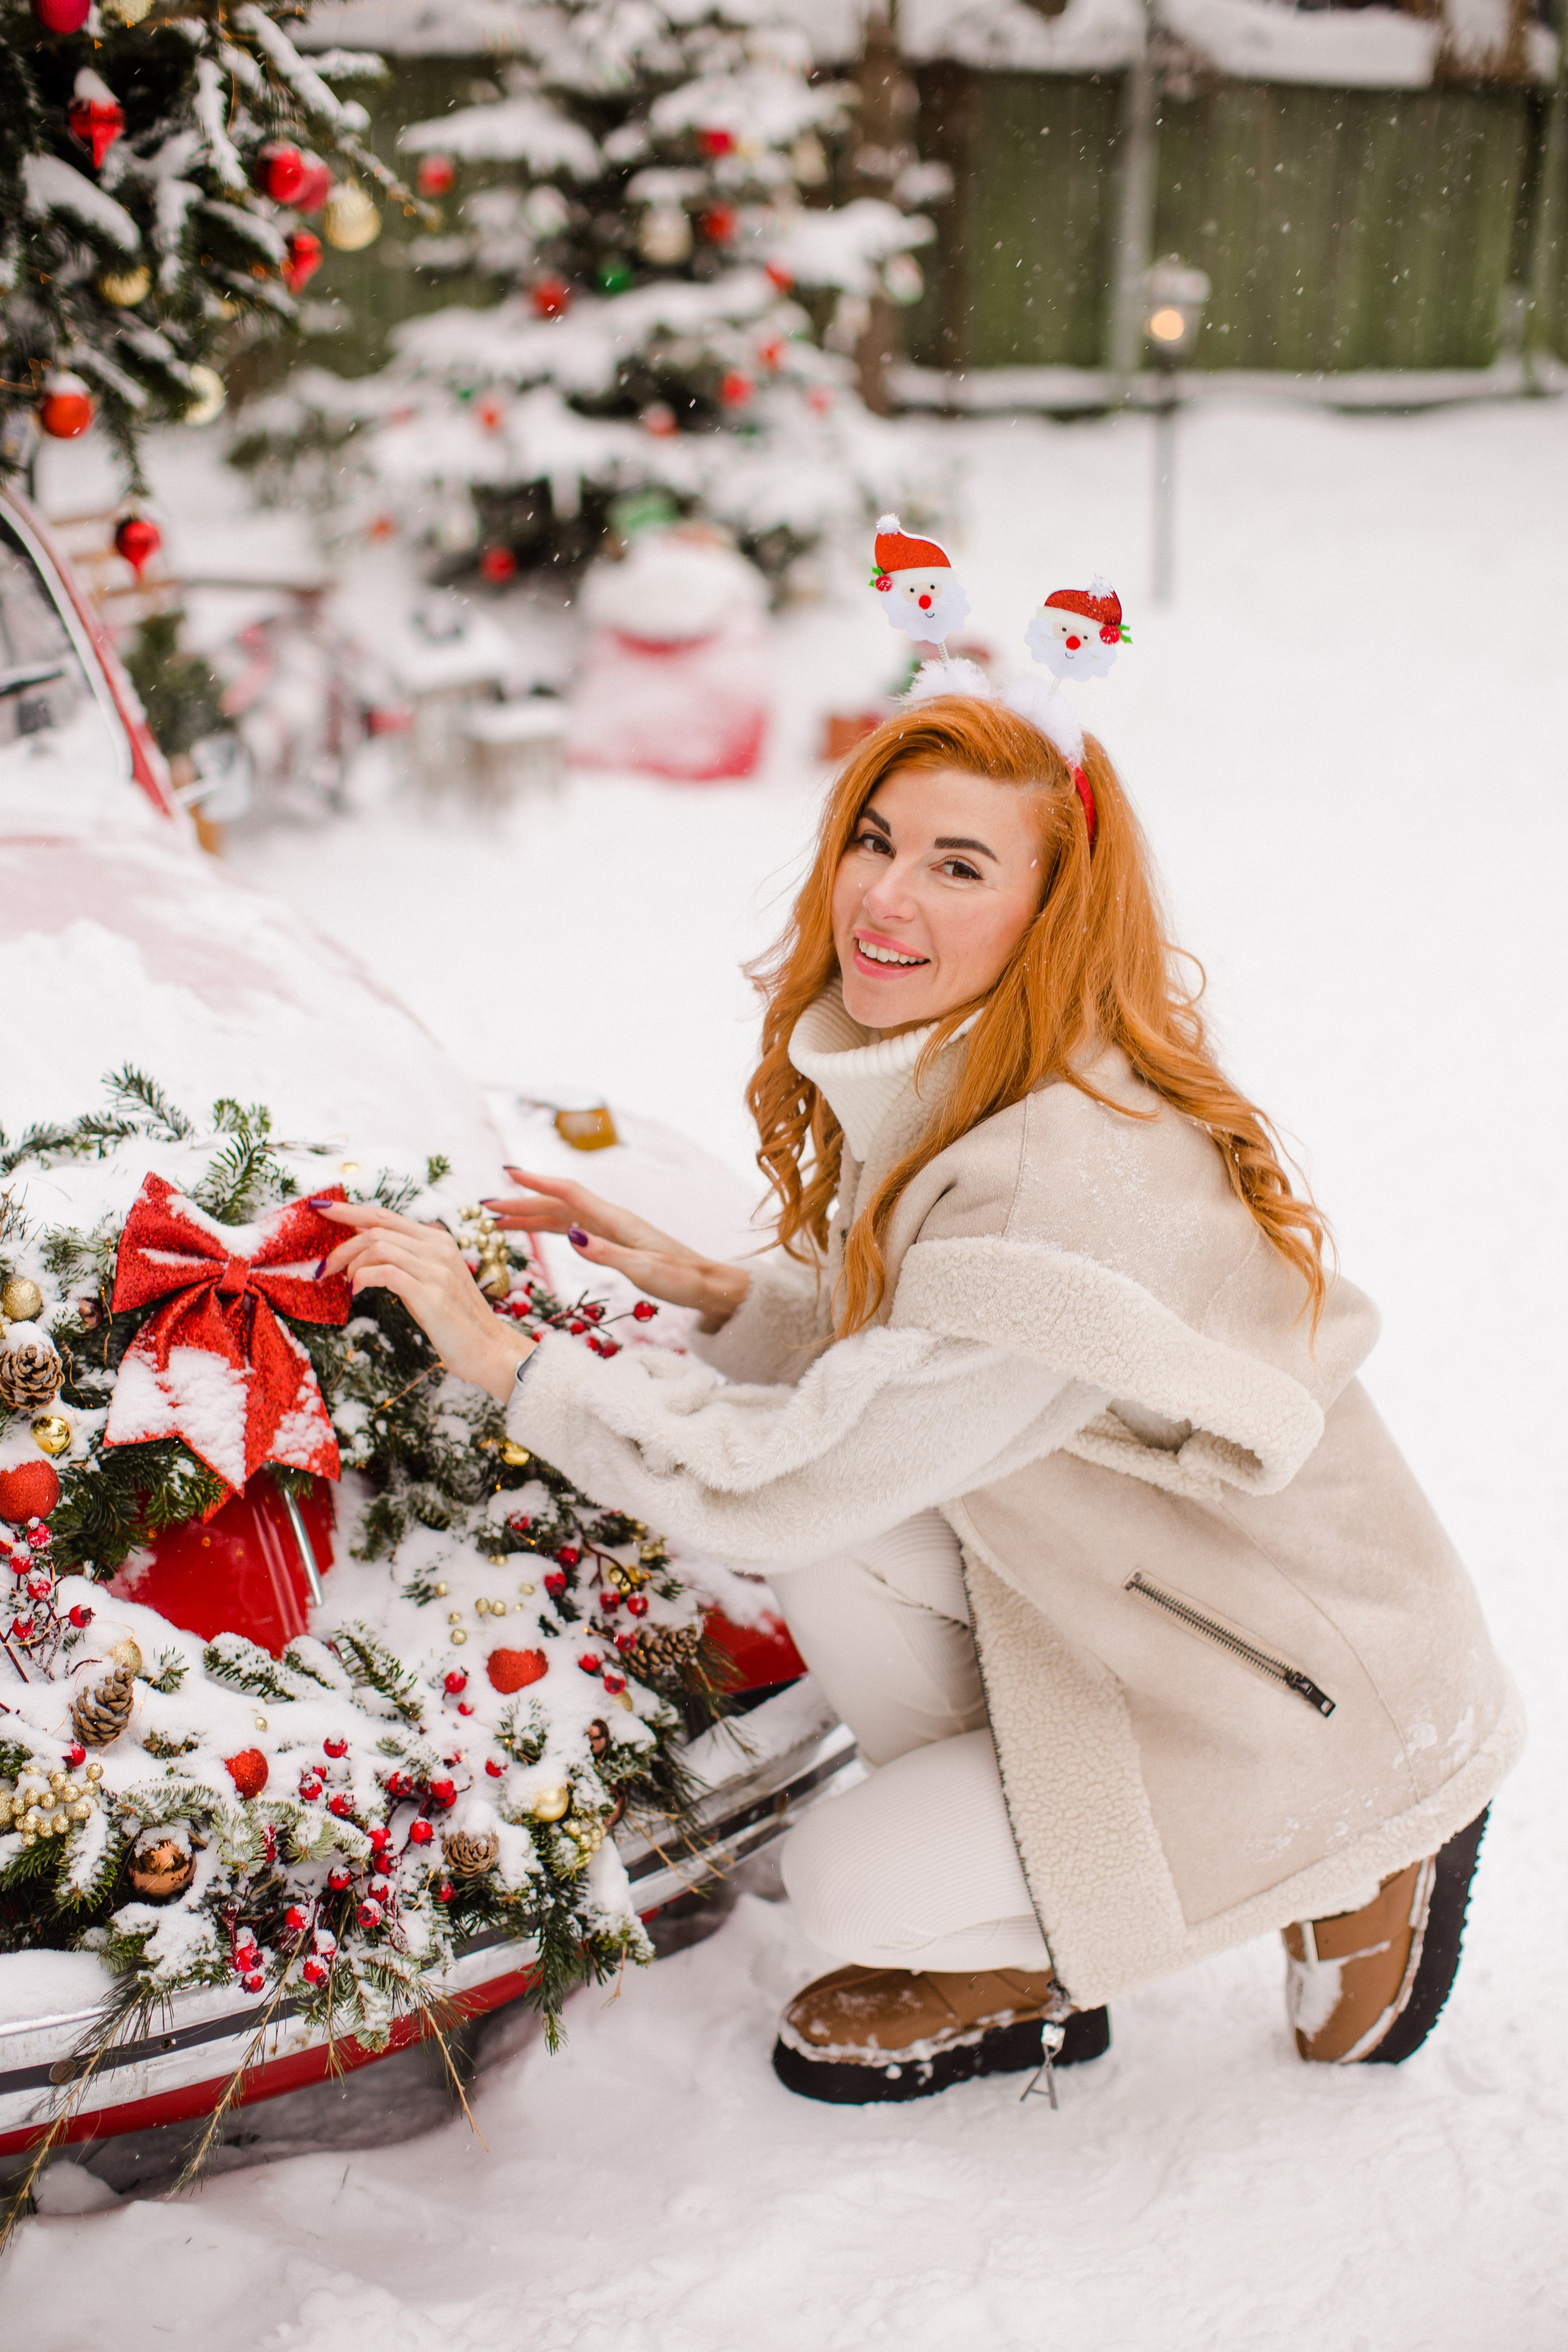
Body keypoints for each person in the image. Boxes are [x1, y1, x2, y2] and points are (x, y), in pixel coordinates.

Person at [320, 696, 1520, 2104]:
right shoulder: (995, 1076)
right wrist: (733, 1297)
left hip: (1281, 1698)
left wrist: (506, 1364)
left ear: (1050, 910)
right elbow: (930, 1371)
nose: (884, 895)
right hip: (1120, 1620)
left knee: (844, 1884)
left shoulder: (1052, 1181)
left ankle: (1369, 1839)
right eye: (874, 841)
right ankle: (1021, 1935)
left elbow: (788, 1472)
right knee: (843, 1537)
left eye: (958, 865)